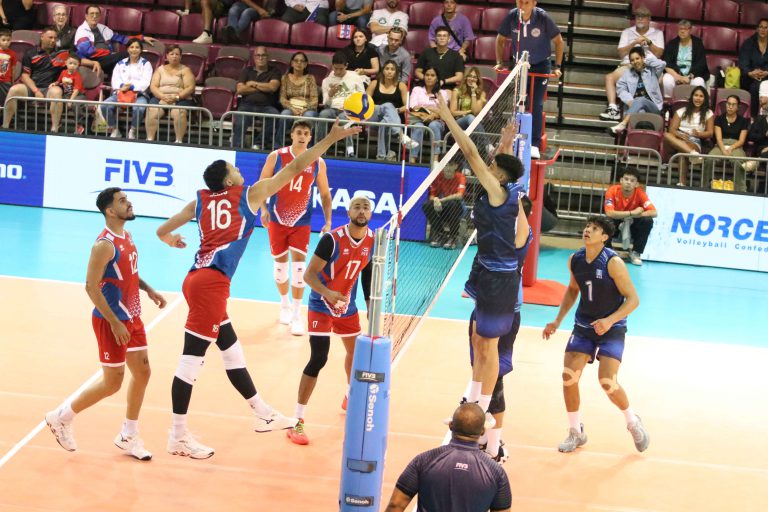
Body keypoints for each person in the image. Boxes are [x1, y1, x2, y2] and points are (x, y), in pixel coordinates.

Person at [156, 119, 361, 459]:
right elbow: (297, 165)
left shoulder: (200, 201)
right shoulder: (249, 195)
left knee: (232, 352)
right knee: (190, 363)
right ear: (228, 180)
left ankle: (262, 412)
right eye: (234, 169)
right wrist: (332, 138)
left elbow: (162, 230)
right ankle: (177, 434)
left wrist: (171, 240)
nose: (240, 171)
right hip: (212, 284)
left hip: (196, 278)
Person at [45, 188, 166, 461]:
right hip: (112, 321)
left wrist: (148, 289)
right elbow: (90, 286)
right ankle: (60, 417)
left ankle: (129, 435)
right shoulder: (104, 245)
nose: (129, 202)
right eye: (122, 201)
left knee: (143, 372)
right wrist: (114, 323)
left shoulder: (127, 236)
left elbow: (129, 273)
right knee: (113, 383)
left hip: (132, 316)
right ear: (110, 211)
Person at [435, 92, 525, 428]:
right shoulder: (503, 187)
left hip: (499, 279)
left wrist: (447, 116)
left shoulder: (499, 192)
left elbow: (470, 153)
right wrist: (504, 143)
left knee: (487, 346)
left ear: (499, 177)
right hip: (485, 269)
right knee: (476, 338)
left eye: (493, 168)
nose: (486, 169)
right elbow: (495, 166)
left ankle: (481, 412)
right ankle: (470, 402)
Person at [542, 215, 650, 454]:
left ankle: (633, 421)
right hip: (583, 326)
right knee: (569, 377)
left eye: (594, 229)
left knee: (607, 382)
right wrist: (557, 320)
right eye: (587, 227)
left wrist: (610, 320)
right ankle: (575, 432)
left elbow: (634, 299)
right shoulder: (575, 259)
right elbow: (572, 290)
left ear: (604, 237)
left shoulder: (613, 263)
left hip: (612, 328)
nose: (587, 230)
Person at [286, 196, 374, 445]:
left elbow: (366, 274)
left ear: (370, 213)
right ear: (348, 211)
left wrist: (370, 305)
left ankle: (349, 395)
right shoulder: (331, 240)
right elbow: (309, 274)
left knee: (355, 355)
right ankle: (297, 421)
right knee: (319, 358)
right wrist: (327, 293)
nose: (361, 210)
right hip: (321, 304)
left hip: (347, 306)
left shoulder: (372, 240)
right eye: (357, 206)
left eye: (366, 207)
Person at [258, 120, 333, 336]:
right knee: (281, 268)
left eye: (306, 133)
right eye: (299, 132)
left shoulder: (318, 161)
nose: (302, 136)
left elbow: (325, 194)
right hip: (277, 218)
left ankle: (298, 314)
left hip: (302, 220)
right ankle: (284, 304)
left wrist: (328, 222)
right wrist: (263, 209)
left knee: (300, 269)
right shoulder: (277, 156)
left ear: (310, 138)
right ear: (292, 135)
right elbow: (261, 185)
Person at [384, 402, 512, 512]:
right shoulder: (496, 472)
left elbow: (395, 505)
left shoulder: (424, 461)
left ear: (451, 426)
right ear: (482, 431)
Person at [496, 0, 564, 159]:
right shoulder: (512, 16)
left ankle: (534, 144)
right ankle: (512, 140)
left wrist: (558, 66)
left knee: (536, 104)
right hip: (520, 65)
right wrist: (499, 62)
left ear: (533, 3)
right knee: (517, 103)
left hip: (541, 65)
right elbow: (500, 39)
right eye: (519, 2)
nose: (521, 6)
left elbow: (559, 42)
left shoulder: (542, 17)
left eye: (526, 2)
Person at [599, 6, 664, 122]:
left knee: (658, 80)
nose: (639, 19)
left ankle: (652, 107)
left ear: (649, 19)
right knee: (609, 77)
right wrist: (635, 42)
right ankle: (613, 108)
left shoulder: (657, 33)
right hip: (629, 65)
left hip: (649, 66)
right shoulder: (627, 32)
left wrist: (648, 42)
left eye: (643, 17)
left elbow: (659, 54)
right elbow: (620, 53)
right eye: (637, 17)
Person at [2, 27, 68, 130]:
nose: (53, 40)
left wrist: (94, 62)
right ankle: (5, 126)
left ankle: (54, 129)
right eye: (50, 37)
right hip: (33, 87)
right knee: (14, 90)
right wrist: (36, 90)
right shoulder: (31, 53)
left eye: (55, 38)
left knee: (56, 92)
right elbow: (24, 75)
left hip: (50, 88)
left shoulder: (62, 54)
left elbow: (75, 64)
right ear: (42, 37)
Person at [75, 5, 157, 76]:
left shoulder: (102, 28)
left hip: (108, 59)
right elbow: (89, 52)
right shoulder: (82, 31)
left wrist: (141, 38)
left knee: (127, 66)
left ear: (100, 16)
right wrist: (110, 53)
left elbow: (121, 38)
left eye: (97, 14)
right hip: (94, 61)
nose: (94, 16)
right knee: (130, 53)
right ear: (86, 16)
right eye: (91, 14)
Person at [603, 168, 657, 266]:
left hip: (632, 224)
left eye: (632, 180)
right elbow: (609, 213)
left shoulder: (640, 193)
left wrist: (637, 215)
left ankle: (636, 253)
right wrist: (631, 213)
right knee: (605, 221)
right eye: (626, 179)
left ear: (636, 184)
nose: (628, 182)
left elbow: (654, 212)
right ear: (621, 180)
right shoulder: (612, 190)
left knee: (647, 220)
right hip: (617, 223)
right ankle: (608, 252)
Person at [101, 38, 153, 140]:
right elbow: (115, 79)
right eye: (132, 47)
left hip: (139, 94)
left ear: (141, 50)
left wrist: (132, 87)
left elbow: (146, 81)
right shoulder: (120, 63)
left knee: (140, 108)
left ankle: (132, 130)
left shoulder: (146, 64)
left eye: (137, 47)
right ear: (128, 49)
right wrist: (122, 87)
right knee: (104, 106)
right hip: (121, 93)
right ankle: (114, 129)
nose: (134, 50)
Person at [663, 85, 714, 187]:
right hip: (678, 138)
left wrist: (699, 133)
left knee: (682, 153)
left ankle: (682, 183)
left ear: (705, 99)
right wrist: (680, 135)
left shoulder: (708, 113)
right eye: (696, 95)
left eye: (701, 96)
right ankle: (692, 154)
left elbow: (710, 132)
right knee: (666, 134)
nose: (698, 98)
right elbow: (672, 129)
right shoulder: (681, 111)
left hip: (694, 140)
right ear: (692, 97)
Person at [145, 44, 197, 143]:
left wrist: (177, 97)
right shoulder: (160, 69)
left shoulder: (185, 70)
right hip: (161, 96)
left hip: (181, 98)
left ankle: (178, 140)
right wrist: (162, 96)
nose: (174, 56)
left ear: (181, 57)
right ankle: (150, 139)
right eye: (172, 54)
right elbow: (153, 86)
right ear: (167, 56)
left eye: (177, 54)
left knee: (178, 112)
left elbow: (190, 88)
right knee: (152, 111)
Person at [232, 46, 281, 150]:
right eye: (258, 55)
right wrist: (263, 87)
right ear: (254, 57)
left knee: (275, 116)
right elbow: (240, 89)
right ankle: (237, 147)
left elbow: (272, 87)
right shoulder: (247, 71)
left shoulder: (274, 71)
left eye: (263, 55)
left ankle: (258, 144)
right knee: (240, 119)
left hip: (267, 106)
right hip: (247, 105)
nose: (261, 58)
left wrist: (253, 84)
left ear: (268, 57)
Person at [318, 51, 366, 154]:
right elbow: (325, 103)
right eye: (336, 68)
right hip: (332, 108)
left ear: (346, 66)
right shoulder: (326, 81)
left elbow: (362, 96)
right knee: (323, 115)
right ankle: (319, 147)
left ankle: (350, 151)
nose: (338, 71)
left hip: (349, 109)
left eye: (341, 68)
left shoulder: (355, 78)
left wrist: (352, 104)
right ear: (332, 66)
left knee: (344, 119)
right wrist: (330, 94)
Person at [609, 47, 666, 134]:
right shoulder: (627, 74)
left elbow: (662, 64)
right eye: (632, 60)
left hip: (653, 108)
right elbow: (620, 89)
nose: (635, 62)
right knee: (639, 109)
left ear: (643, 58)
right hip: (634, 107)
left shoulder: (652, 71)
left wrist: (646, 61)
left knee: (640, 100)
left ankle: (623, 124)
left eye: (637, 58)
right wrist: (629, 101)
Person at [366, 59, 413, 161]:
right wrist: (381, 108)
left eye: (392, 69)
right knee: (387, 105)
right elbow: (365, 102)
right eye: (387, 69)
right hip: (374, 115)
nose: (389, 71)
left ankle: (381, 156)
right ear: (383, 71)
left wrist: (396, 111)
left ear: (396, 72)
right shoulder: (374, 83)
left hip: (392, 118)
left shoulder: (401, 85)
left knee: (385, 122)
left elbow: (407, 105)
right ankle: (401, 135)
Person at [705, 95, 749, 192]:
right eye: (729, 104)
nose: (730, 106)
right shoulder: (719, 119)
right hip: (721, 144)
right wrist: (724, 150)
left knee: (738, 162)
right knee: (708, 159)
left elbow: (742, 141)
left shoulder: (743, 121)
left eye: (733, 104)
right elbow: (718, 138)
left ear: (738, 107)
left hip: (736, 145)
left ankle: (741, 189)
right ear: (726, 104)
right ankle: (704, 186)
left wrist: (731, 148)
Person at [408, 67, 450, 163]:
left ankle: (435, 160)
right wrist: (430, 112)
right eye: (427, 75)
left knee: (433, 125)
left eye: (432, 75)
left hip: (436, 120)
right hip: (418, 119)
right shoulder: (417, 89)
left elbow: (443, 111)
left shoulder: (442, 93)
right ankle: (412, 159)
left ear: (437, 78)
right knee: (418, 127)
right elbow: (413, 107)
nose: (429, 77)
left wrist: (433, 115)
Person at [422, 162, 466, 249]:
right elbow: (432, 194)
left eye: (451, 165)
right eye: (446, 165)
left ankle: (453, 237)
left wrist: (440, 200)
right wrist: (435, 200)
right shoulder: (439, 176)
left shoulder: (460, 177)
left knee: (453, 204)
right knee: (427, 205)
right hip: (443, 208)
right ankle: (440, 234)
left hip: (457, 209)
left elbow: (459, 195)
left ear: (456, 166)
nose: (448, 168)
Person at [660, 19, 708, 98]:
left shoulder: (698, 43)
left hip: (693, 75)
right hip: (676, 75)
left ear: (690, 30)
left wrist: (689, 77)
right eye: (680, 29)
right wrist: (677, 76)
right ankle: (668, 103)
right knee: (667, 79)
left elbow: (701, 64)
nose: (682, 31)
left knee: (699, 82)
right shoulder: (672, 43)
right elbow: (667, 63)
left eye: (685, 29)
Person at [278, 51, 319, 142]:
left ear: (305, 64)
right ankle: (278, 145)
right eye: (296, 61)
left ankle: (308, 149)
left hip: (307, 109)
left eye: (302, 61)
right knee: (285, 115)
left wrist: (304, 109)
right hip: (290, 107)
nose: (299, 63)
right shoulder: (285, 78)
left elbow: (315, 99)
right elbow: (282, 98)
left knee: (308, 117)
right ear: (292, 63)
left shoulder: (310, 78)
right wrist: (292, 109)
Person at [738, 19, 768, 118]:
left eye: (766, 27)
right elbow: (743, 63)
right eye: (761, 27)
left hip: (766, 77)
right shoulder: (748, 43)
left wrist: (766, 72)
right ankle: (754, 117)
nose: (763, 29)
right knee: (755, 86)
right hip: (749, 77)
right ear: (757, 29)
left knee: (760, 85)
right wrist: (751, 73)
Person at [52, 51, 86, 134]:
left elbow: (76, 90)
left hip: (78, 95)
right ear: (66, 63)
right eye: (70, 63)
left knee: (75, 104)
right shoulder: (63, 72)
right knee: (59, 103)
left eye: (75, 64)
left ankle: (79, 125)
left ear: (78, 65)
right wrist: (54, 83)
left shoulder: (77, 75)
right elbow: (59, 81)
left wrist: (71, 100)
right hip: (67, 94)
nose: (72, 66)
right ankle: (58, 121)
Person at [0, 27, 17, 108]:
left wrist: (13, 82)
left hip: (6, 81)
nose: (6, 42)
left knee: (5, 102)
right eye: (3, 40)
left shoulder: (12, 54)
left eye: (8, 40)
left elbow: (13, 69)